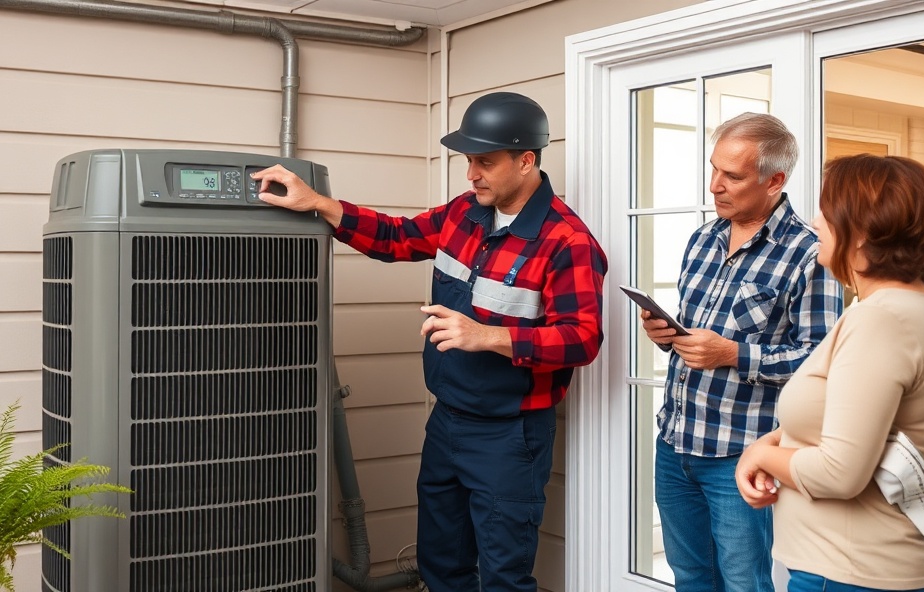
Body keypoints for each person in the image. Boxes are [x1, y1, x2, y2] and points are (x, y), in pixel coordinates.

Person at [251, 92, 607, 592]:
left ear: (526, 161)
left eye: (485, 162)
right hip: (447, 422)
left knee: (503, 576)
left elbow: (582, 339)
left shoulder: (567, 242)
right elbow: (397, 237)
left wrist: (488, 336)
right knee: (440, 564)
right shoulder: (464, 213)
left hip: (510, 435)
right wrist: (319, 203)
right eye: (469, 161)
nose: (472, 175)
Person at [734, 153, 924, 592]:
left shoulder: (880, 320)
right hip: (874, 567)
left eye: (828, 211)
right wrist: (772, 441)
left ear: (863, 233)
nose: (816, 222)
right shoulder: (917, 305)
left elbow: (841, 472)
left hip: (850, 572)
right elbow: (848, 422)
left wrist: (757, 457)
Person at [638, 112, 842, 592]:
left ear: (775, 180)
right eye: (714, 170)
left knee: (743, 584)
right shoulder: (703, 239)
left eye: (732, 176)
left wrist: (733, 354)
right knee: (689, 577)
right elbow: (702, 337)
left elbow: (820, 363)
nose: (715, 186)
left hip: (742, 455)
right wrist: (668, 334)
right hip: (675, 443)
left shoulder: (811, 253)